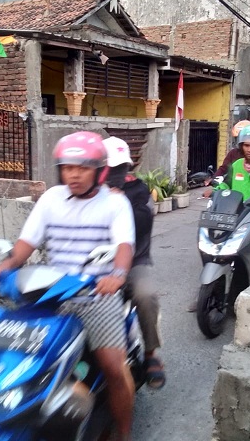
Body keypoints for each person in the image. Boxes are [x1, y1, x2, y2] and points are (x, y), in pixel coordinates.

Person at [0, 131, 136, 440]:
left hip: (95, 295)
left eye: (81, 168)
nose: (73, 174)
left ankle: (123, 433)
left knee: (113, 368)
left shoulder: (116, 204)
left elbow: (124, 247)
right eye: (67, 167)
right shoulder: (52, 198)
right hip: (52, 294)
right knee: (25, 359)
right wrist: (5, 267)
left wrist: (116, 275)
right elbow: (27, 243)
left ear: (99, 170)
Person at [102, 136, 165, 389]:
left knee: (146, 295)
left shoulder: (139, 191)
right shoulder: (88, 191)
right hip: (93, 265)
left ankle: (151, 354)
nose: (116, 173)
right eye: (110, 168)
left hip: (133, 263)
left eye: (121, 168)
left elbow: (142, 223)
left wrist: (118, 201)